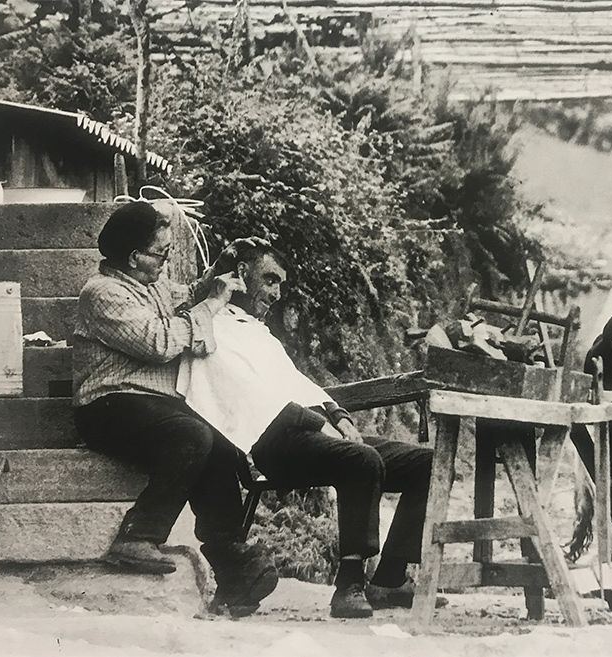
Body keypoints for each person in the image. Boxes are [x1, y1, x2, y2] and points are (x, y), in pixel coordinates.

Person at [176, 238, 437, 619]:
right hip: (272, 444)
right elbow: (252, 399)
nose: (276, 293)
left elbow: (298, 382)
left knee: (426, 463)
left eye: (281, 284)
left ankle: (390, 578)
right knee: (361, 460)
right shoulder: (211, 328)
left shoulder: (255, 331)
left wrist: (340, 416)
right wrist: (319, 425)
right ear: (240, 275)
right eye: (269, 280)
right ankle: (349, 584)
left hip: (311, 435)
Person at [72, 201, 279, 618]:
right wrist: (214, 303)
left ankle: (231, 560)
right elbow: (158, 342)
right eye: (162, 254)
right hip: (106, 404)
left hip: (149, 404)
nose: (167, 262)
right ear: (134, 257)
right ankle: (137, 535)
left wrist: (221, 267)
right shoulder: (103, 293)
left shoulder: (150, 283)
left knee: (218, 440)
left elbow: (189, 296)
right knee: (191, 435)